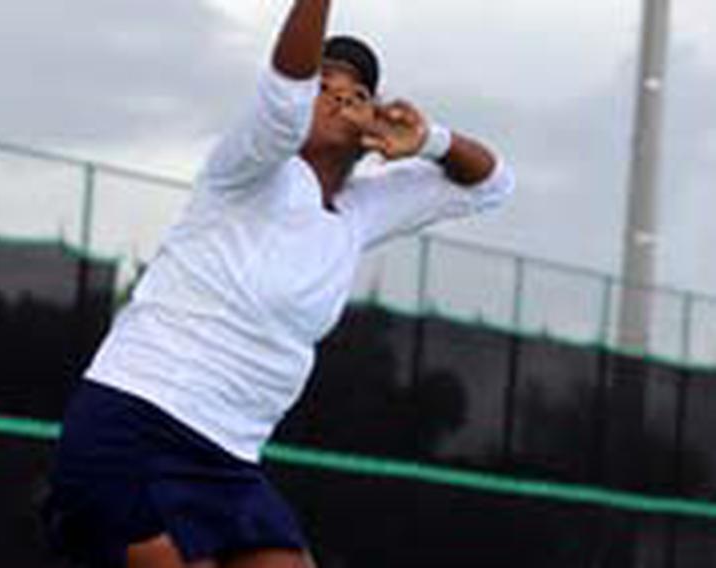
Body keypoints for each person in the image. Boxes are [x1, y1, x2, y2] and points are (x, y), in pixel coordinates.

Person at [43, 1, 515, 566]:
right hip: (134, 424)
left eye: (357, 92)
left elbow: (491, 185)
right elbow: (284, 93)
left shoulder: (361, 212)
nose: (340, 94)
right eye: (326, 83)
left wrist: (431, 140)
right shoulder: (251, 166)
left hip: (229, 459)